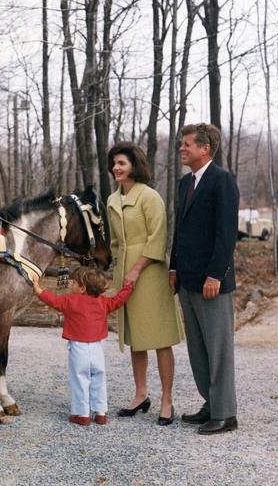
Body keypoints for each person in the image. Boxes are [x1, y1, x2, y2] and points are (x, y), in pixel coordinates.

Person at [107, 142, 184, 426]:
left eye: (122, 163)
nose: (117, 167)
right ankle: (141, 394)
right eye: (114, 163)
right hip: (125, 272)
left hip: (150, 273)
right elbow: (115, 243)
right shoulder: (112, 200)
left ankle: (166, 399)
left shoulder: (150, 197)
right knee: (136, 338)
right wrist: (120, 268)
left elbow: (158, 238)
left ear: (134, 166)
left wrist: (137, 269)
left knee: (160, 338)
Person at [169, 123, 240, 435]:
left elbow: (226, 235)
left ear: (204, 148)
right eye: (182, 144)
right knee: (198, 349)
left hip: (212, 283)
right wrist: (173, 269)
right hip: (187, 279)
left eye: (187, 144)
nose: (182, 149)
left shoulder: (221, 180)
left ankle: (226, 414)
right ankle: (210, 405)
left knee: (218, 348)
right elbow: (180, 231)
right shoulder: (186, 183)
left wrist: (216, 275)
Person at [32, 267, 133, 425]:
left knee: (80, 379)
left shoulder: (70, 301)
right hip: (97, 348)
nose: (72, 285)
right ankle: (100, 412)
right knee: (98, 378)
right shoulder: (103, 302)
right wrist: (128, 287)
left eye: (74, 283)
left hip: (78, 348)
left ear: (82, 288)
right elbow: (118, 300)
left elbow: (53, 300)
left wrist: (38, 289)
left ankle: (81, 414)